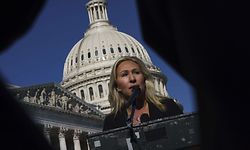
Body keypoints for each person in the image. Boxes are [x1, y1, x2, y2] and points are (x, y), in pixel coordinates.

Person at [103, 56, 183, 131]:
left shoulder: (167, 107)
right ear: (117, 86)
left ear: (145, 80)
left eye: (136, 72)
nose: (132, 78)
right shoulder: (112, 122)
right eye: (124, 74)